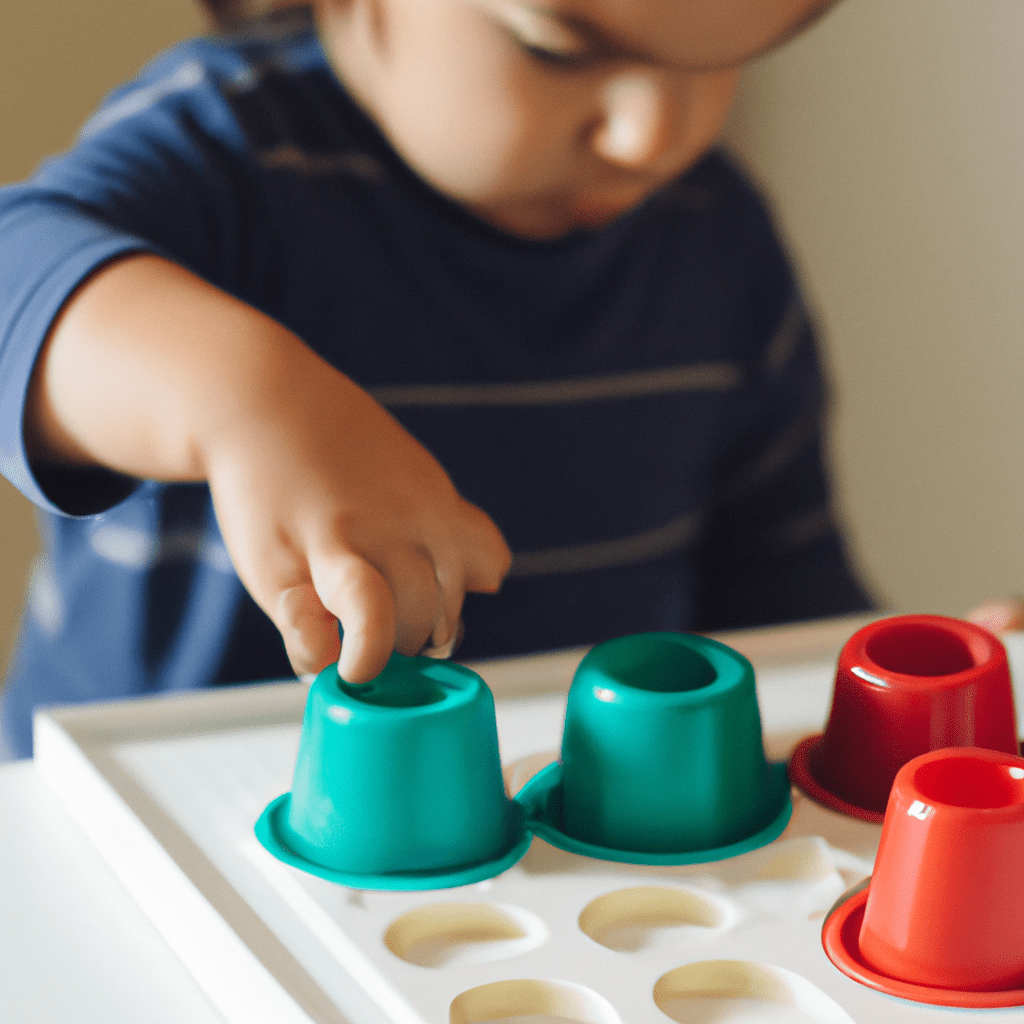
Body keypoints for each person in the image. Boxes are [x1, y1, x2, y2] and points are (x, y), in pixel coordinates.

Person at [0, 0, 875, 760]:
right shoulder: (228, 146)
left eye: (716, 60)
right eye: (556, 48)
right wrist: (249, 399)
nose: (650, 135)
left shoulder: (717, 236)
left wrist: (900, 680)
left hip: (550, 848)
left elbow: (779, 591)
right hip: (148, 833)